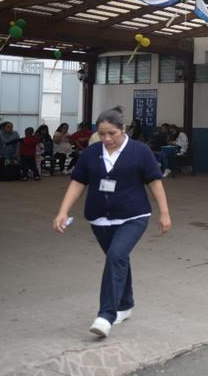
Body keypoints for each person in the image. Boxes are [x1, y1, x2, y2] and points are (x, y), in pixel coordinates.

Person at [52, 105, 172, 338]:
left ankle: (106, 315)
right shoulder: (91, 152)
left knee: (116, 257)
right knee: (117, 260)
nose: (107, 139)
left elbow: (155, 182)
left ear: (123, 130)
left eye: (112, 134)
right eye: (102, 133)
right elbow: (78, 182)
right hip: (100, 219)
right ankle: (125, 305)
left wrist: (164, 212)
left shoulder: (140, 151)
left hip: (133, 217)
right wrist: (63, 211)